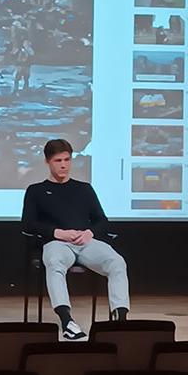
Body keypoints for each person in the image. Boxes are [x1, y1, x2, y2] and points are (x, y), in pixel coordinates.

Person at [22, 139, 130, 340]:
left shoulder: (84, 189)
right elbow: (27, 224)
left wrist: (90, 232)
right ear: (47, 162)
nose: (63, 165)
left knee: (117, 262)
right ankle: (66, 321)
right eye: (57, 160)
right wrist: (57, 233)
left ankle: (121, 319)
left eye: (66, 159)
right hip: (56, 242)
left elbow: (101, 220)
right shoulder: (36, 190)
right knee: (54, 263)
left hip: (85, 241)